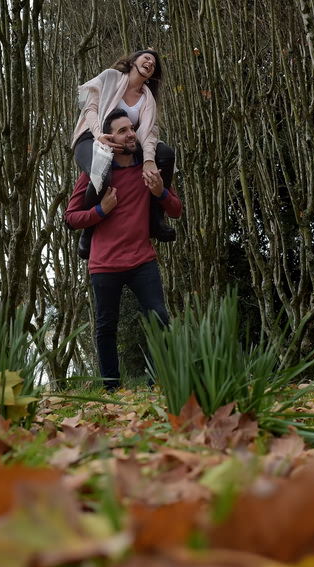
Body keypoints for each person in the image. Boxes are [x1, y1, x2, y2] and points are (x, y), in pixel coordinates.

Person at [65, 108, 183, 391]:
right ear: (110, 139)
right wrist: (101, 211)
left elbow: (176, 210)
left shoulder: (149, 167)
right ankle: (111, 389)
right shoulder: (95, 173)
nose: (130, 134)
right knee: (106, 328)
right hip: (104, 264)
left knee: (159, 318)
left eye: (131, 129)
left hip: (142, 259)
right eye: (122, 130)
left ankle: (158, 383)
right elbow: (71, 218)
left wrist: (160, 193)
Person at [70, 49, 176, 259]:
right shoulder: (111, 77)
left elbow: (149, 133)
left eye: (154, 63)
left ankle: (156, 219)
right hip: (92, 137)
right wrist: (99, 135)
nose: (150, 62)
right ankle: (88, 231)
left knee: (166, 153)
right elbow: (89, 108)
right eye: (146, 58)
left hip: (124, 142)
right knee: (102, 171)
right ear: (133, 60)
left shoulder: (147, 99)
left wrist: (148, 161)